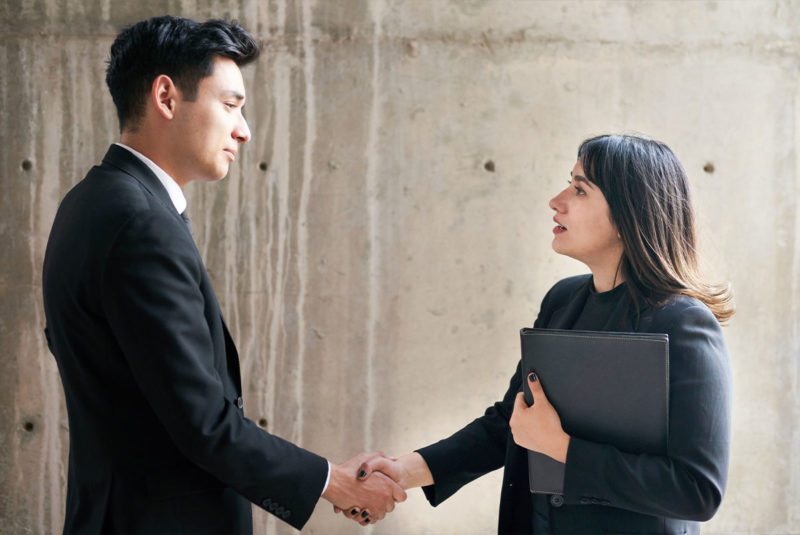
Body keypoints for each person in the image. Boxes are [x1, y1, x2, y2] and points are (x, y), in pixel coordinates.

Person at [41, 15, 404, 534]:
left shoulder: (91, 202)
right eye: (231, 105)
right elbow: (204, 423)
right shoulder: (139, 223)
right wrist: (333, 481)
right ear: (166, 97)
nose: (244, 129)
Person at [344, 134, 734, 534]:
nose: (557, 200)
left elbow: (698, 490)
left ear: (629, 214)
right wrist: (403, 471)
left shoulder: (683, 323)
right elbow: (511, 422)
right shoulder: (562, 301)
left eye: (580, 189)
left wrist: (563, 449)